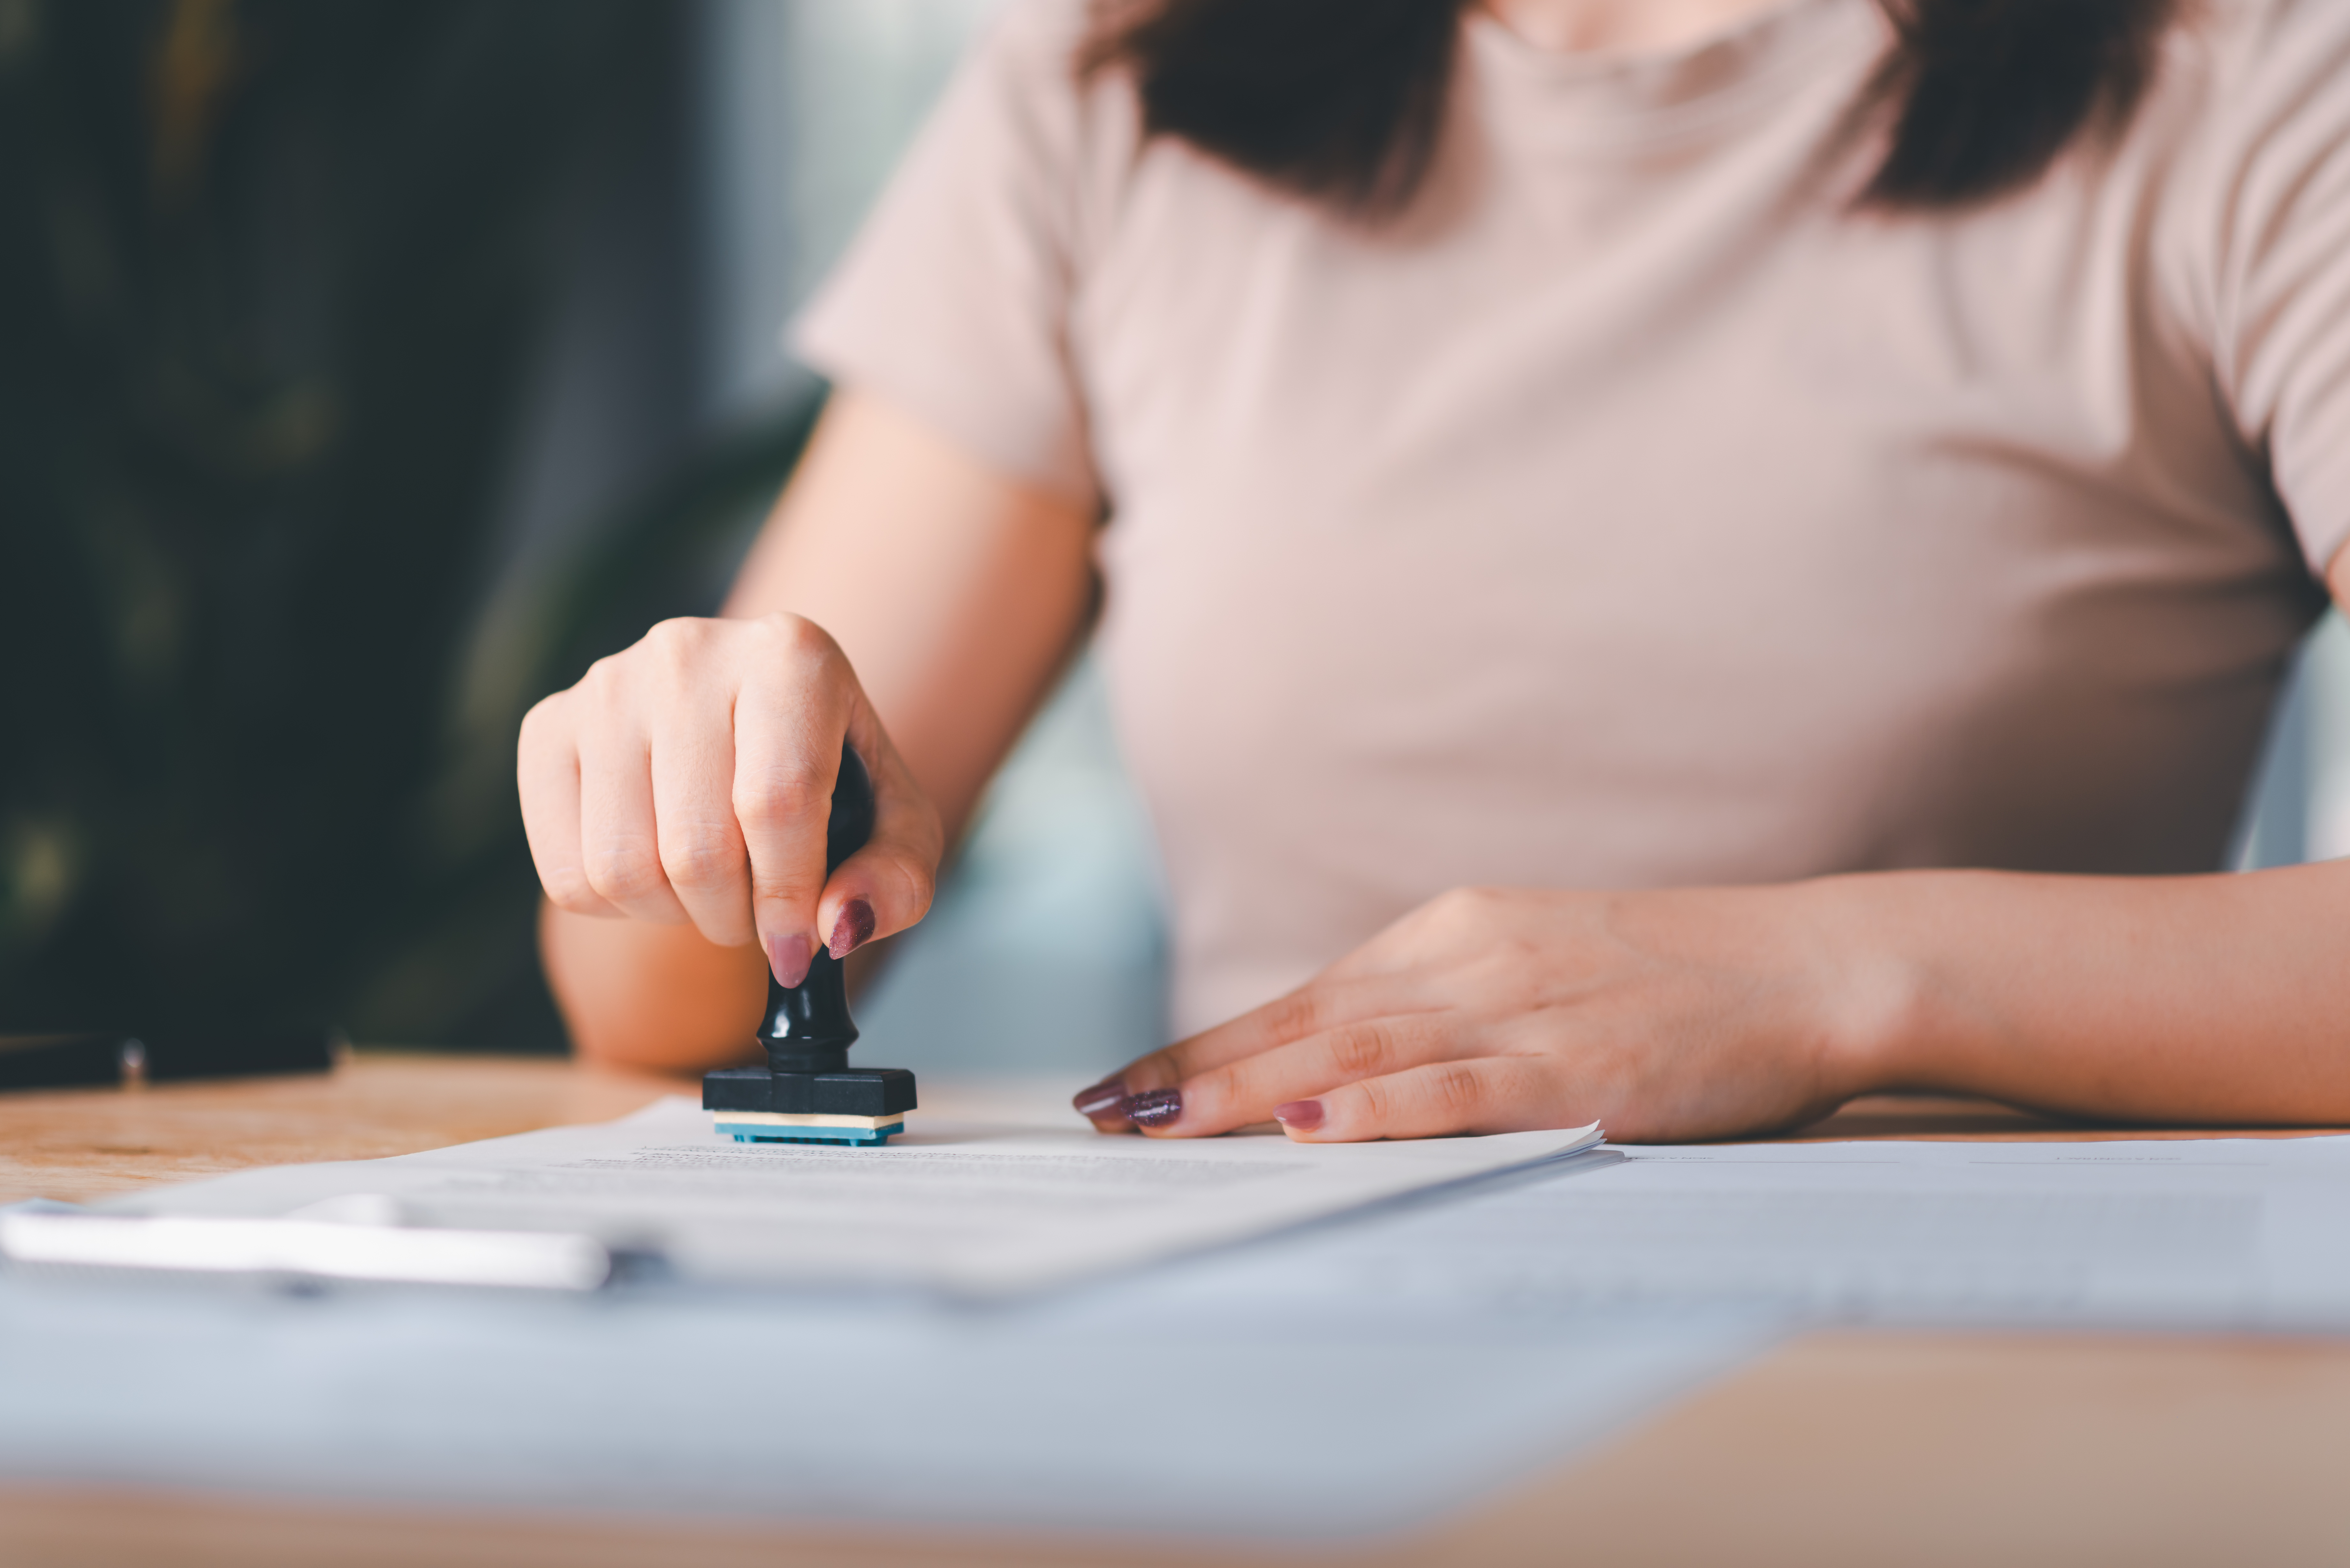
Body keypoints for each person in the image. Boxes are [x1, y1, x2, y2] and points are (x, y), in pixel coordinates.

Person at [517, 0, 2350, 1144]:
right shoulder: (1120, 81)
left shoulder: (2255, 86)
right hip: (1253, 1379)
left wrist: (1828, 975)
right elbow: (656, 1006)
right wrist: (693, 772)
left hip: (1966, 1392)